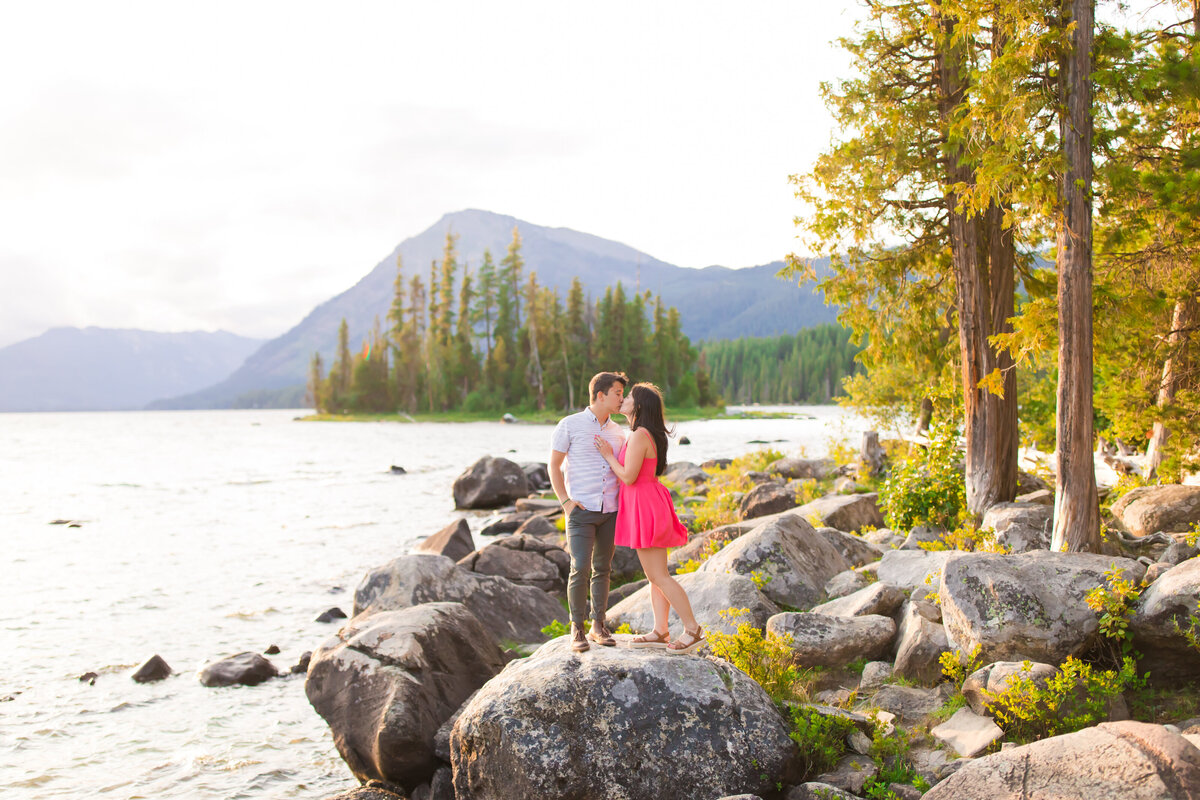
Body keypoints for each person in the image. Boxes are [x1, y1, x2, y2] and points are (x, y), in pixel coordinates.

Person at [594, 382, 704, 654]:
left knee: (659, 575)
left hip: (644, 503)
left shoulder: (640, 434)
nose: (624, 399)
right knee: (655, 575)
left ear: (639, 406)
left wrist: (608, 456)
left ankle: (693, 630)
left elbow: (629, 476)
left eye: (629, 396)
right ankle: (660, 630)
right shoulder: (640, 433)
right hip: (646, 502)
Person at [549, 371, 629, 652]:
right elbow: (554, 466)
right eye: (617, 393)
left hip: (610, 510)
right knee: (579, 567)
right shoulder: (570, 425)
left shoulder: (618, 432)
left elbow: (623, 471)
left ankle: (598, 625)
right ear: (600, 395)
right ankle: (576, 628)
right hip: (580, 511)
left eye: (622, 394)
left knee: (603, 569)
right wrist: (566, 503)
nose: (621, 398)